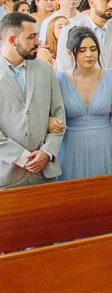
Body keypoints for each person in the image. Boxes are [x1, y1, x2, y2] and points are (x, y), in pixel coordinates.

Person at [56, 26, 112, 180]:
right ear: (70, 52)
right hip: (71, 147)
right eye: (82, 50)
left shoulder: (110, 76)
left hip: (105, 144)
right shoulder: (59, 79)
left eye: (93, 49)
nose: (89, 54)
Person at [0, 12, 66, 188]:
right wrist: (22, 157)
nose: (38, 42)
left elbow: (59, 114)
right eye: (31, 37)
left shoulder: (45, 69)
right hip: (5, 174)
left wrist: (47, 152)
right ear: (12, 40)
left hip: (44, 172)